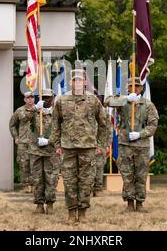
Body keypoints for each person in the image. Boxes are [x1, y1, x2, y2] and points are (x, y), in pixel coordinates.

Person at [50, 69, 107, 224]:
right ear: (71, 82)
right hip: (67, 147)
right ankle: (71, 212)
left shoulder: (93, 100)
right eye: (75, 80)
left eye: (80, 80)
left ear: (85, 82)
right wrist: (56, 144)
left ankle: (82, 212)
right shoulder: (61, 100)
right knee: (69, 181)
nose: (78, 83)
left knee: (86, 181)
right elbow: (55, 123)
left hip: (88, 147)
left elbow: (103, 123)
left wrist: (100, 145)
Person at [105, 77, 159, 212]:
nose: (134, 89)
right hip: (125, 144)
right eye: (131, 86)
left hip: (142, 145)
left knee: (141, 175)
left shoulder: (147, 104)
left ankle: (139, 203)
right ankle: (129, 203)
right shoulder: (122, 102)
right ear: (127, 88)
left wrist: (140, 134)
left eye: (137, 86)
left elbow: (153, 125)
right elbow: (107, 102)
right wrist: (125, 99)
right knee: (127, 175)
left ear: (141, 88)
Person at [30, 89, 59, 214]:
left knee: (51, 178)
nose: (46, 99)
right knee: (37, 178)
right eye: (44, 97)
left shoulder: (58, 113)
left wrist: (49, 141)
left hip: (51, 151)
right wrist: (35, 108)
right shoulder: (35, 112)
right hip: (36, 150)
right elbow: (23, 119)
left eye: (48, 97)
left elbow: (62, 129)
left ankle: (50, 203)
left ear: (53, 98)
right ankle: (39, 204)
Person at [9, 91, 35, 193]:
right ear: (24, 99)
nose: (30, 99)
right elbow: (12, 124)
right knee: (23, 163)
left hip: (36, 142)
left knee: (35, 164)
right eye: (28, 98)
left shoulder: (39, 110)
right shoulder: (19, 111)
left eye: (32, 97)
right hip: (23, 142)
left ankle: (35, 185)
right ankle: (25, 185)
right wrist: (16, 137)